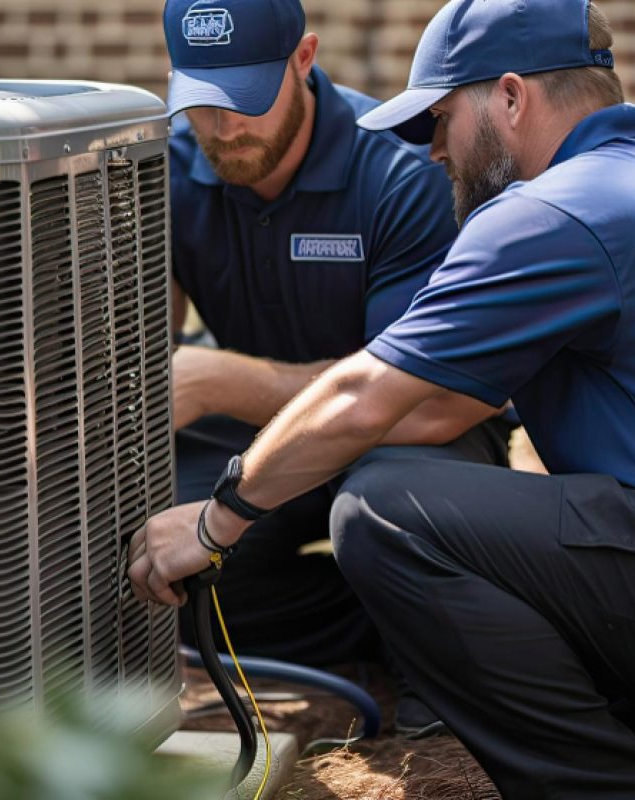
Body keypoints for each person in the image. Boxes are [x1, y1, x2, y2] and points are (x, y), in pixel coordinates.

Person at [132, 0, 635, 794]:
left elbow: (393, 399)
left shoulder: (550, 212)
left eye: (440, 118)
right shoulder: (614, 184)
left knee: (384, 510)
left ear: (510, 97)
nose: (435, 149)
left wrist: (215, 519)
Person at [162, 0, 513, 732]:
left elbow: (421, 398)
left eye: (247, 101)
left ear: (304, 59)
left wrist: (221, 379)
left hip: (410, 430)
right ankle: (388, 624)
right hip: (253, 440)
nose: (224, 129)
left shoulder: (400, 173)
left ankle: (442, 665)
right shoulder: (171, 170)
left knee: (393, 507)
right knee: (159, 560)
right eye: (203, 102)